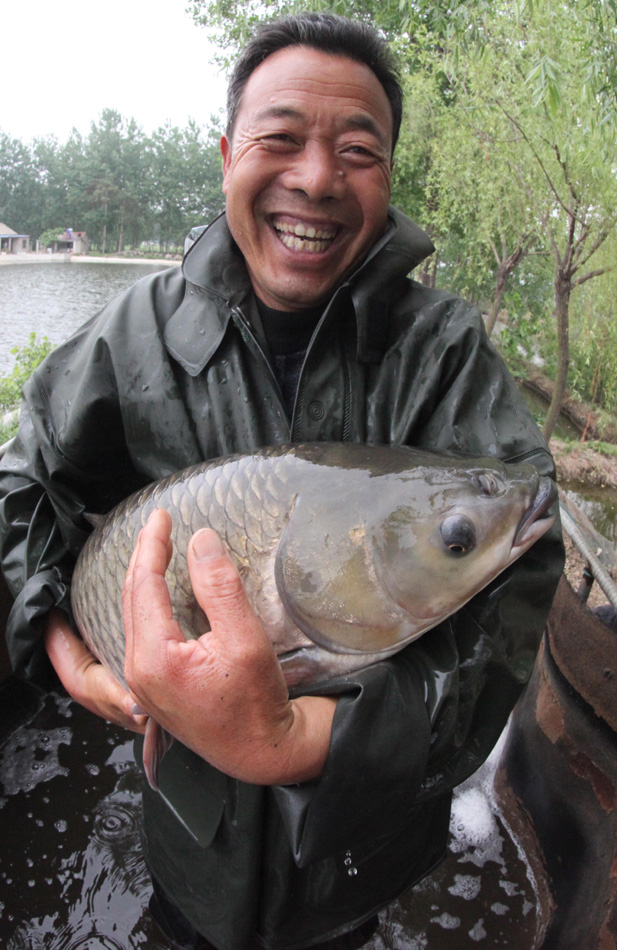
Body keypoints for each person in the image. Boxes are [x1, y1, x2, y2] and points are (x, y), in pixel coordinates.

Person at [0, 13, 564, 950]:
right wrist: (69, 653)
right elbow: (22, 486)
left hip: (357, 859)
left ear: (387, 176)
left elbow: (514, 606)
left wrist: (301, 743)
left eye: (357, 149)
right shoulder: (135, 332)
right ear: (228, 154)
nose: (314, 178)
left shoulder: (444, 353)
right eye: (280, 138)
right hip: (189, 840)